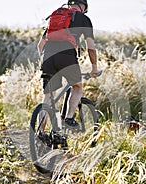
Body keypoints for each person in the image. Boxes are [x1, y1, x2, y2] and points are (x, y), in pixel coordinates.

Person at [37, 0, 100, 128]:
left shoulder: (56, 16)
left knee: (48, 96)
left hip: (48, 56)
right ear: (83, 6)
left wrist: (44, 60)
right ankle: (69, 118)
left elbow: (40, 45)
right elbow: (91, 48)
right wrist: (94, 68)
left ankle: (40, 134)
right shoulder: (83, 19)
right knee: (77, 87)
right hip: (67, 55)